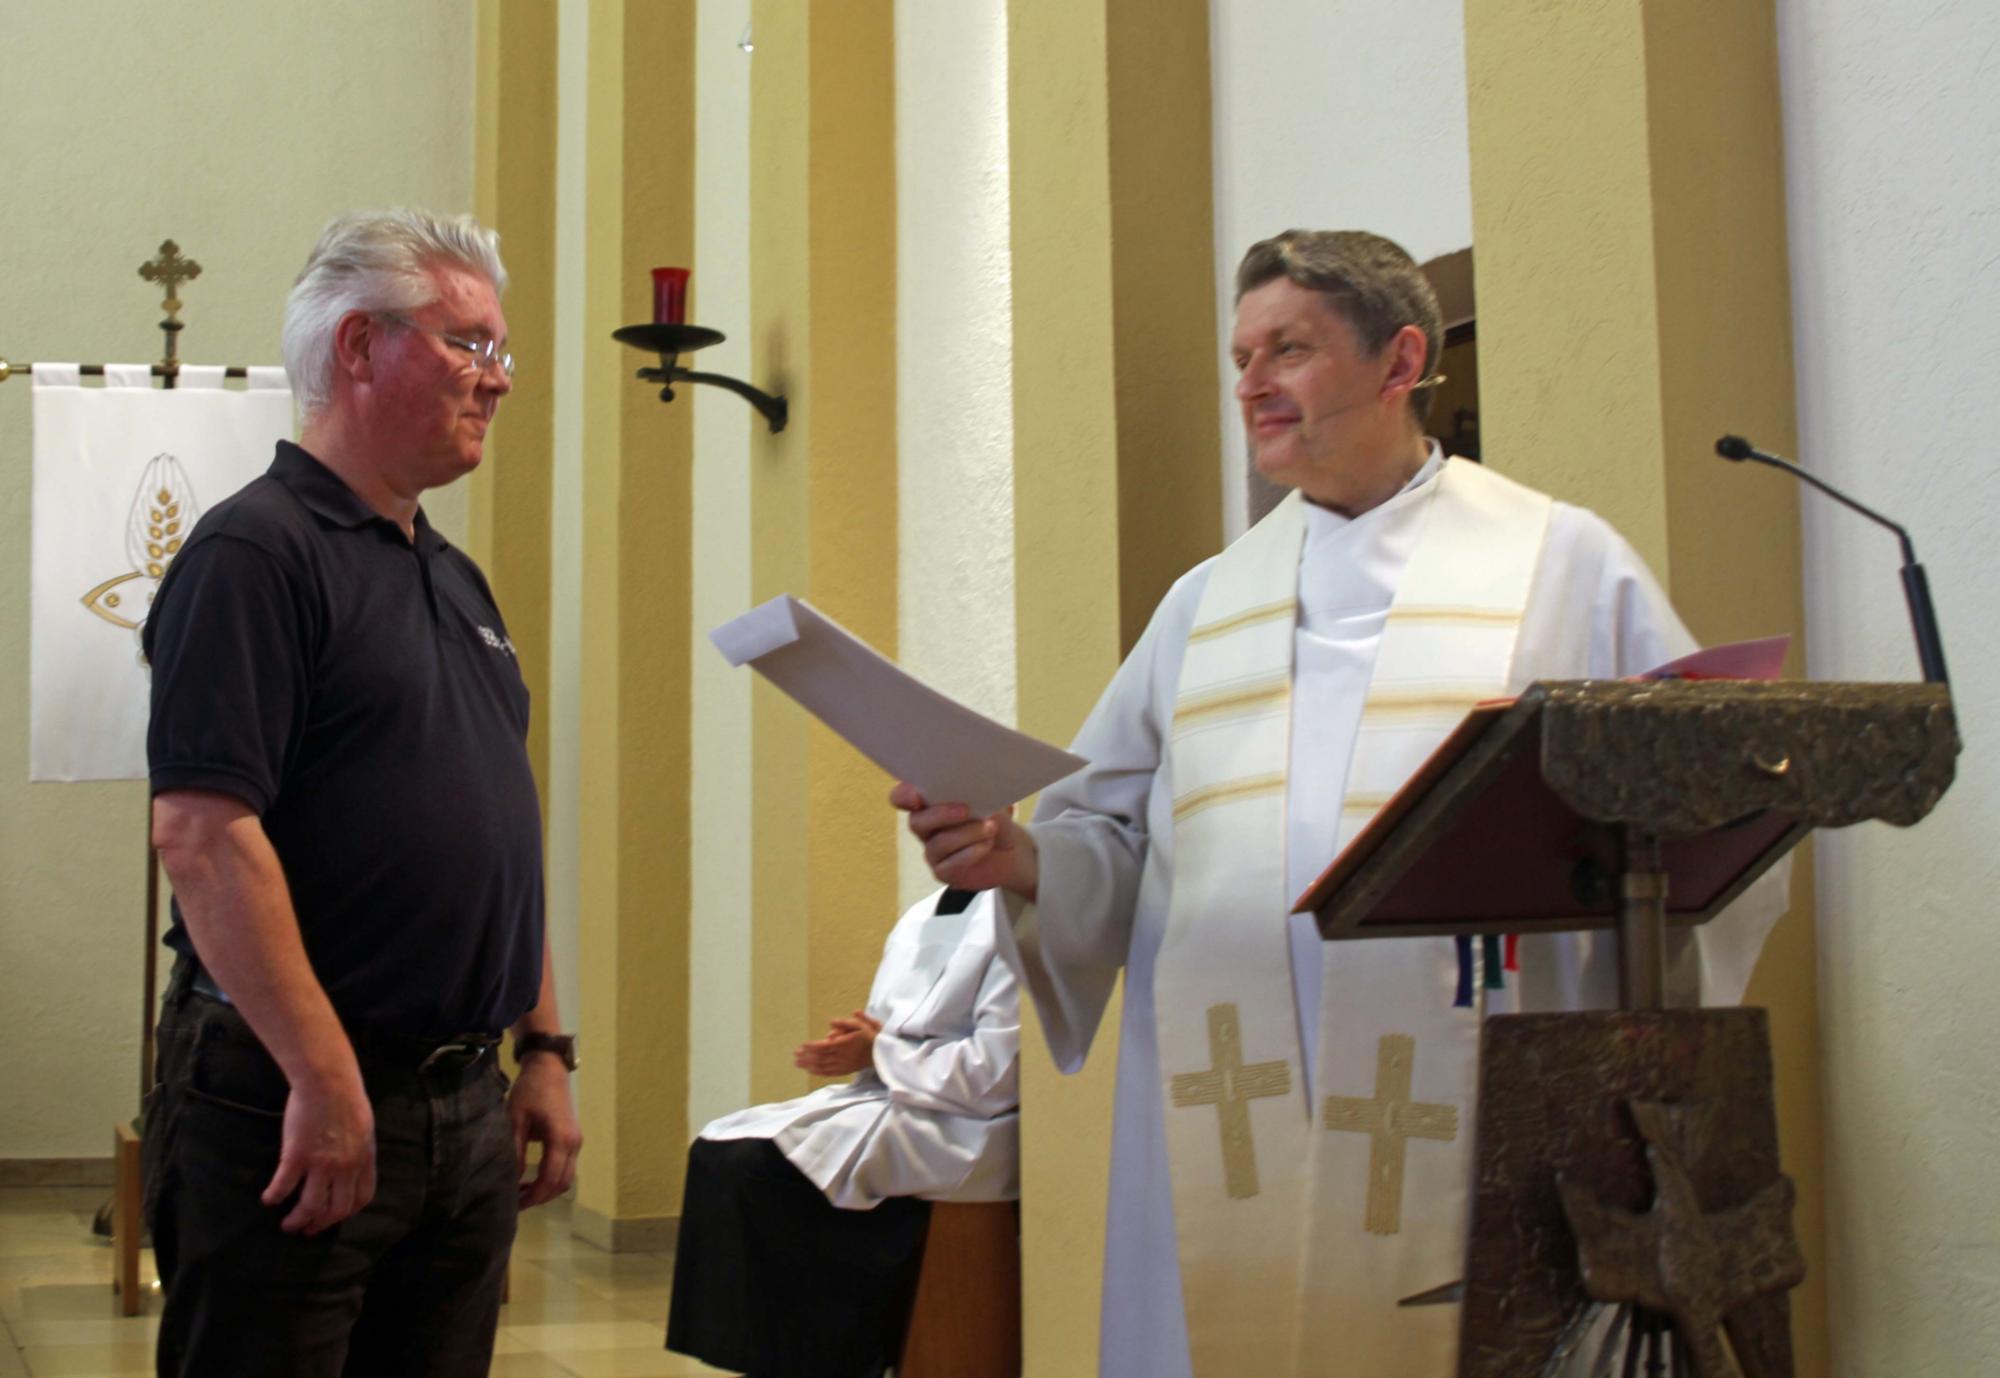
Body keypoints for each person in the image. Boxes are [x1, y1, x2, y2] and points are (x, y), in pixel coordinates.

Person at [894, 229, 1785, 1378]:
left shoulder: (1560, 566)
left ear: (1398, 358)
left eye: (1288, 350)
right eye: (1241, 356)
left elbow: (1705, 823)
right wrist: (1020, 859)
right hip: (1233, 1092)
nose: (1250, 384)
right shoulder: (1205, 603)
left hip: (1476, 1089)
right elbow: (1106, 838)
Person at [141, 208, 582, 1378]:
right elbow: (201, 831)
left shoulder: (455, 577)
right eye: (468, 344)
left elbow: (499, 825)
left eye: (501, 353)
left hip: (461, 1105)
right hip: (293, 1097)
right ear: (356, 347)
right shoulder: (255, 553)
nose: (496, 381)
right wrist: (323, 1074)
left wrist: (544, 1045)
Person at [667, 886, 1020, 1378]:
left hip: (970, 1124)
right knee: (716, 1150)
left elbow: (997, 1073)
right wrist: (862, 1047)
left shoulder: (1020, 915)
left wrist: (878, 1052)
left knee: (762, 1174)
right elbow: (887, 1024)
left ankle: (837, 1354)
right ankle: (769, 1359)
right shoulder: (921, 913)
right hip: (898, 1093)